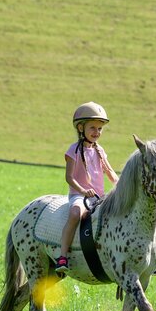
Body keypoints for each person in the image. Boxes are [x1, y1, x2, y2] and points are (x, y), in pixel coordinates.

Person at [56, 102, 119, 273]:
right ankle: (62, 256)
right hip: (80, 196)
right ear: (81, 128)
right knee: (76, 213)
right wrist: (83, 191)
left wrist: (119, 185)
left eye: (100, 129)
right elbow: (69, 177)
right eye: (93, 128)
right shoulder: (73, 150)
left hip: (99, 197)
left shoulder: (100, 151)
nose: (96, 132)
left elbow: (110, 172)